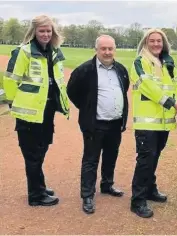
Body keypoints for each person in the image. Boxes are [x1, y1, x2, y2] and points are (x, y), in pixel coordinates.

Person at [2, 15, 70, 206]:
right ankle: (36, 196)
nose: (46, 34)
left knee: (41, 151)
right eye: (42, 30)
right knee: (32, 155)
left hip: (46, 111)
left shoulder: (54, 52)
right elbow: (10, 80)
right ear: (34, 32)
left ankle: (38, 186)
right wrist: (15, 104)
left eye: (49, 31)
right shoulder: (23, 52)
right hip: (28, 113)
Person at [67, 35, 130, 214]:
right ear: (97, 50)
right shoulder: (85, 70)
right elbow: (72, 90)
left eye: (110, 49)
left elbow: (123, 89)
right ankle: (87, 194)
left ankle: (107, 184)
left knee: (111, 155)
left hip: (115, 123)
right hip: (95, 124)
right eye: (103, 49)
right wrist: (86, 107)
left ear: (114, 49)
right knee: (91, 159)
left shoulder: (121, 69)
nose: (107, 52)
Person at [129, 28, 177, 218]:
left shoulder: (168, 63)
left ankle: (150, 190)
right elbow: (148, 87)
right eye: (152, 41)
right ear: (145, 43)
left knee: (154, 157)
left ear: (164, 43)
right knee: (145, 160)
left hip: (163, 123)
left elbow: (176, 85)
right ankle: (138, 200)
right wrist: (172, 103)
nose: (155, 44)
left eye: (159, 41)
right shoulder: (140, 62)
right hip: (147, 123)